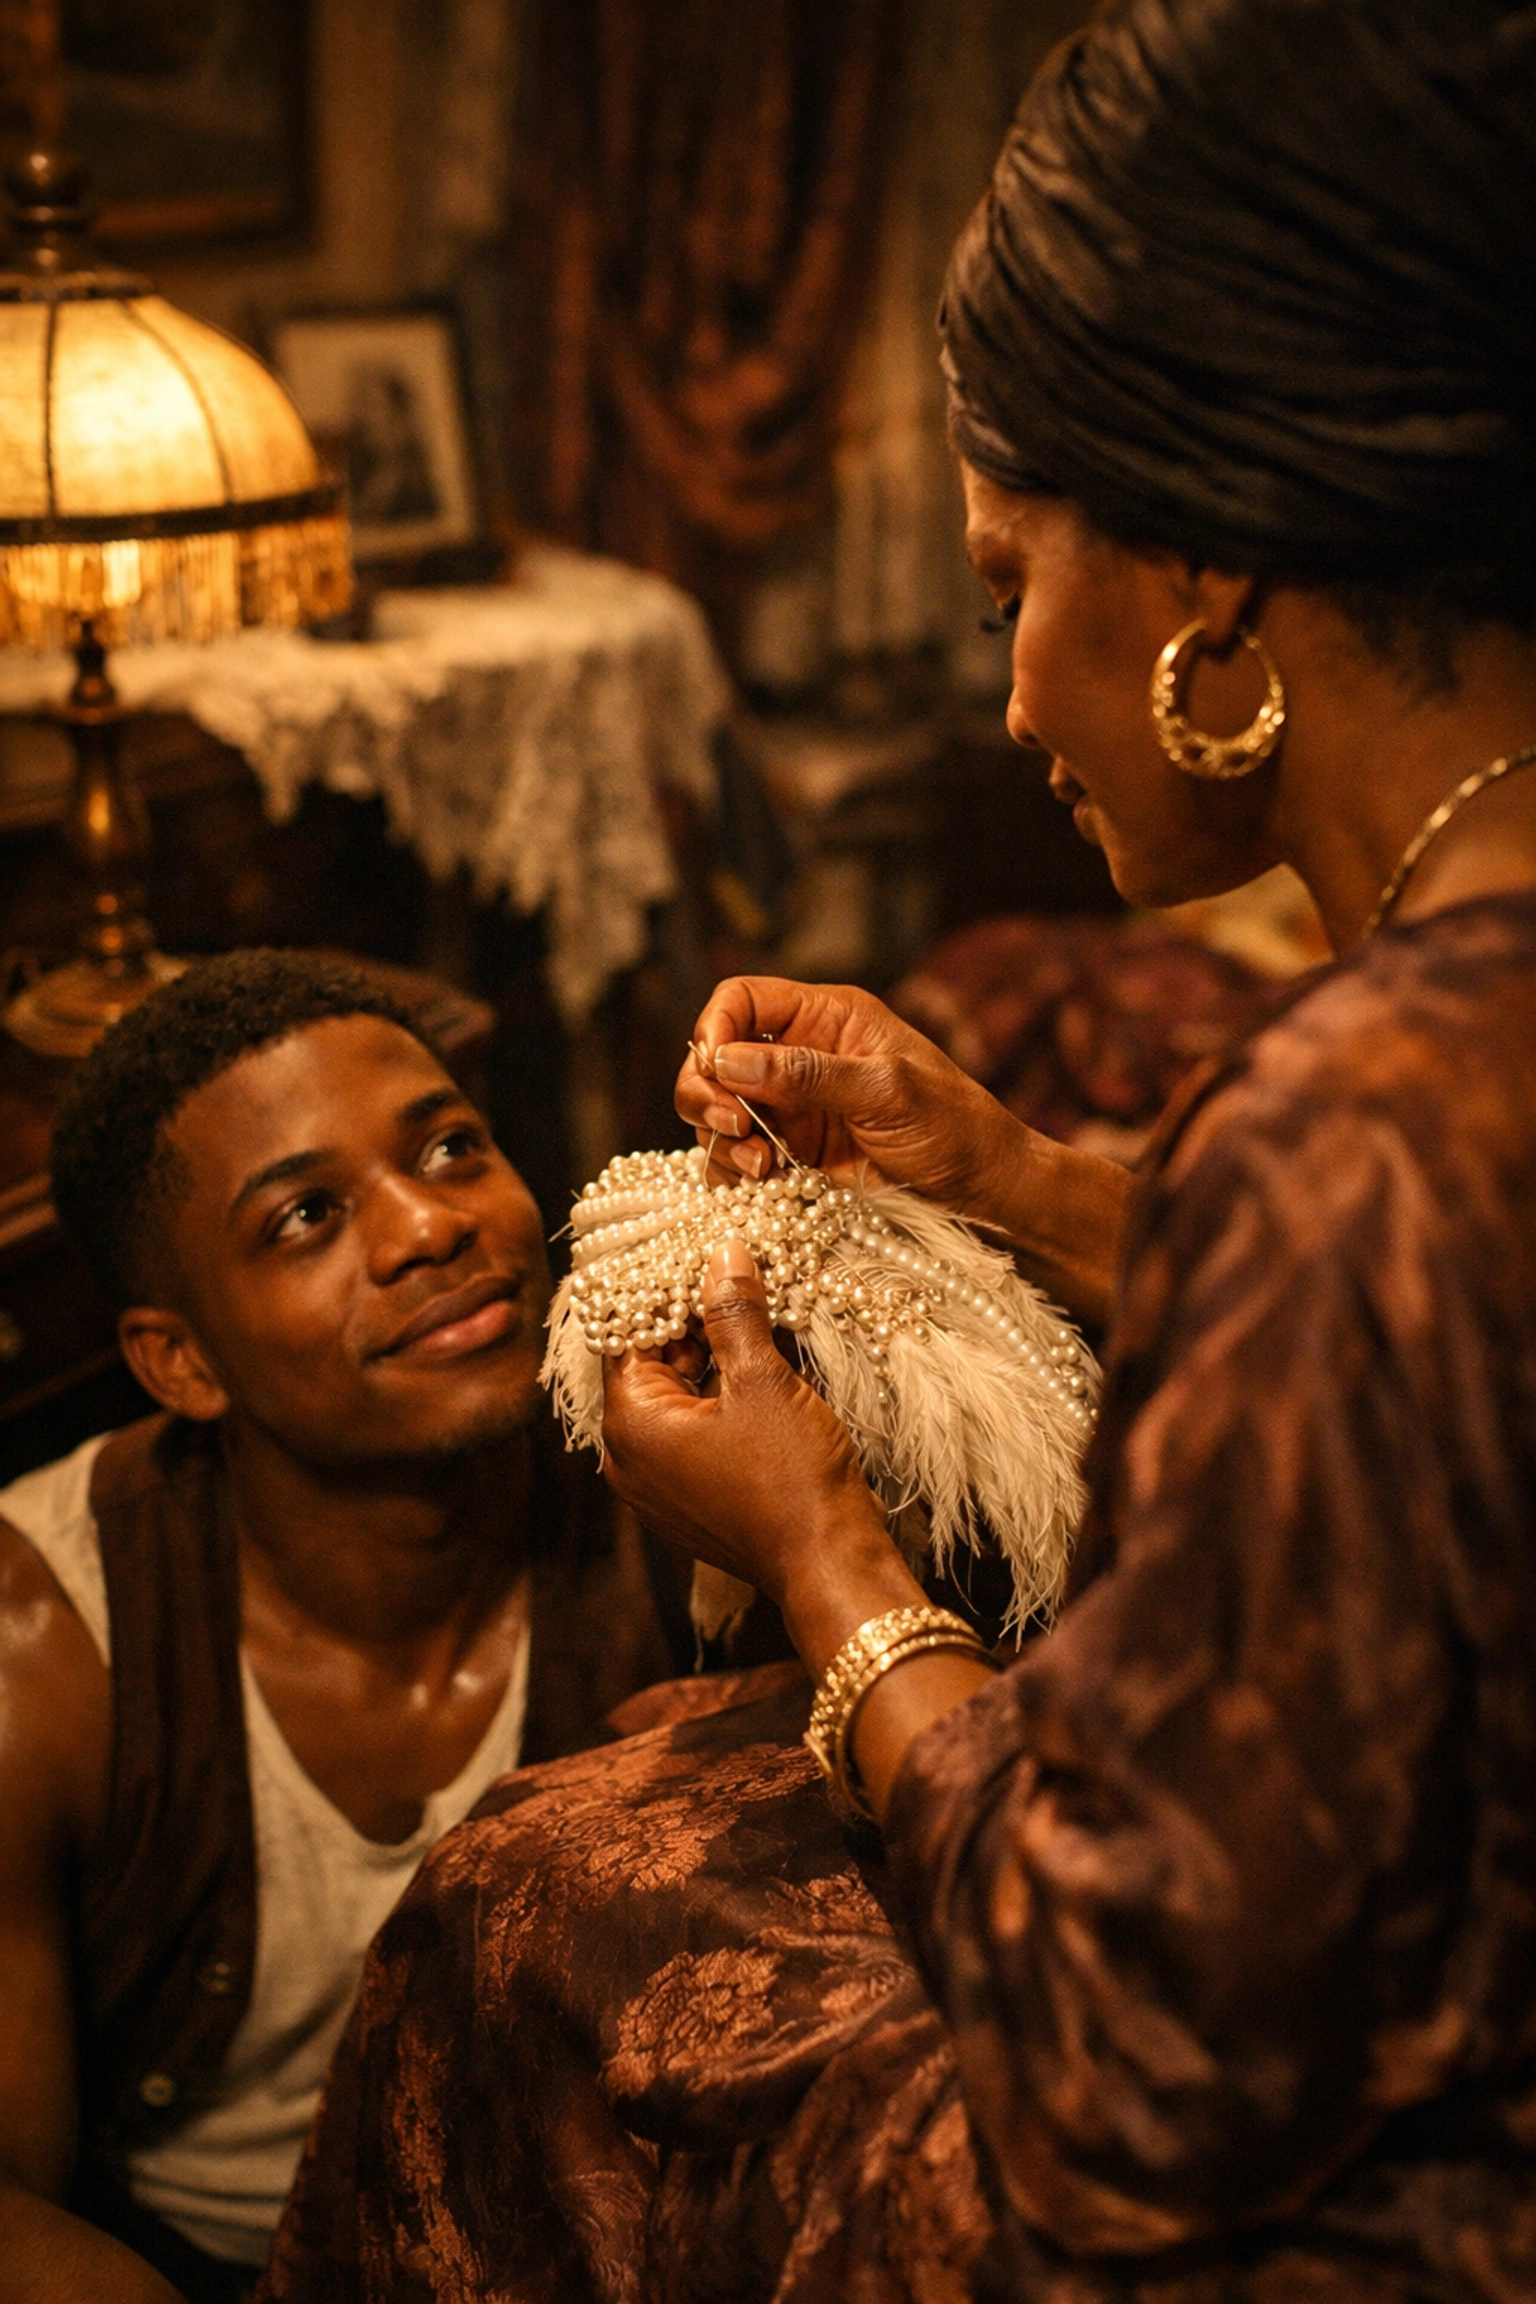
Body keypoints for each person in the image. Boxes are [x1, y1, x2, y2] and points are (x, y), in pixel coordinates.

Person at [262, 3, 1536, 2298]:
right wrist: (1008, 1166)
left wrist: (833, 1561)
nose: (1014, 696)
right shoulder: (1429, 1052)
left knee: (528, 1930)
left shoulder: (1359, 1109)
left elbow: (1132, 2086)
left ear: (1205, 572)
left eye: (1003, 593)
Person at [0, 951, 672, 2304]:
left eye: (451, 1145)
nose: (431, 1226)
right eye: (307, 1215)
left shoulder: (676, 1483)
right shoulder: (43, 1650)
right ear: (179, 1361)